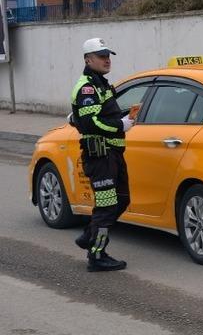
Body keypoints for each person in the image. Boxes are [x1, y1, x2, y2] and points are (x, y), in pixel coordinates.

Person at [71, 38, 135, 272]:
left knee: (123, 199)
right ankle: (96, 255)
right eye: (101, 56)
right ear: (88, 60)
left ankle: (89, 236)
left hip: (113, 155)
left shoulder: (101, 84)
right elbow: (91, 123)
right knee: (107, 207)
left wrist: (125, 116)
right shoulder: (87, 87)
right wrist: (121, 125)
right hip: (100, 156)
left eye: (108, 55)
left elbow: (94, 115)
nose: (107, 59)